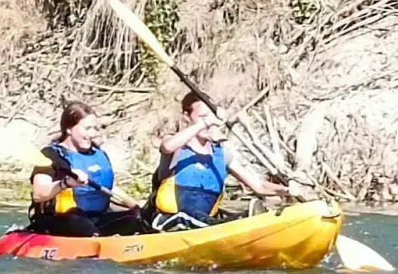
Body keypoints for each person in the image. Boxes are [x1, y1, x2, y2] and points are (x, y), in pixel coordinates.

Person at [148, 91, 290, 227]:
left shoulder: (221, 153)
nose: (209, 123)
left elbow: (258, 186)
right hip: (170, 222)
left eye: (211, 117)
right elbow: (167, 147)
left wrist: (285, 190)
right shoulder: (176, 146)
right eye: (202, 117)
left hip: (207, 226)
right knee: (188, 216)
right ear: (187, 117)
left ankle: (240, 225)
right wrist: (203, 124)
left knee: (223, 219)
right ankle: (230, 225)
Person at [28, 102, 149, 237]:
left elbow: (109, 189)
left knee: (137, 220)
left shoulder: (98, 154)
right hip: (63, 220)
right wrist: (66, 183)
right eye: (87, 128)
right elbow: (38, 194)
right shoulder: (51, 155)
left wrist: (136, 208)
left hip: (97, 218)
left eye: (95, 128)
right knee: (79, 222)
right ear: (69, 129)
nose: (92, 134)